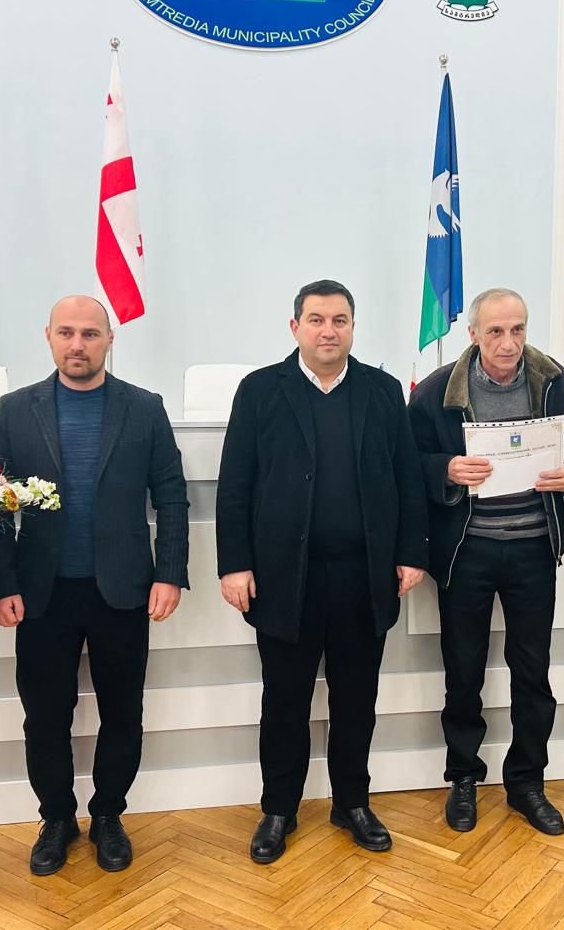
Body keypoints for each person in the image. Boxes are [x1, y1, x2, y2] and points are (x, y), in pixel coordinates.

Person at [216, 279, 428, 864]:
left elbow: (407, 478)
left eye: (339, 320)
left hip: (364, 578)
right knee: (284, 700)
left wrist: (411, 552)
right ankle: (278, 809)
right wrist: (234, 564)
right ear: (295, 328)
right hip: (285, 579)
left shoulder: (383, 391)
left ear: (353, 328)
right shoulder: (260, 390)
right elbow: (235, 484)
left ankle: (351, 802)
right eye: (316, 320)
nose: (328, 331)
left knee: (357, 699)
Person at [0, 295, 189, 875]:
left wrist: (169, 572)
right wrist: (0, 583)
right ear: (48, 336)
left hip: (123, 589)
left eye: (90, 334)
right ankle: (56, 818)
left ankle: (109, 815)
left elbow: (171, 496)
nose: (78, 344)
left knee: (123, 711)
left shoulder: (144, 408)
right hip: (40, 593)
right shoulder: (15, 410)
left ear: (109, 339)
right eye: (66, 333)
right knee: (46, 716)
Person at [407, 288, 564, 835]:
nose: (508, 343)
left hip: (535, 548)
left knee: (533, 672)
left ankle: (527, 783)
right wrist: (445, 469)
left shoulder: (553, 380)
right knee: (463, 671)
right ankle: (464, 777)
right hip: (466, 551)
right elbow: (407, 461)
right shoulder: (438, 390)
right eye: (495, 331)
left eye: (518, 329)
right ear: (473, 334)